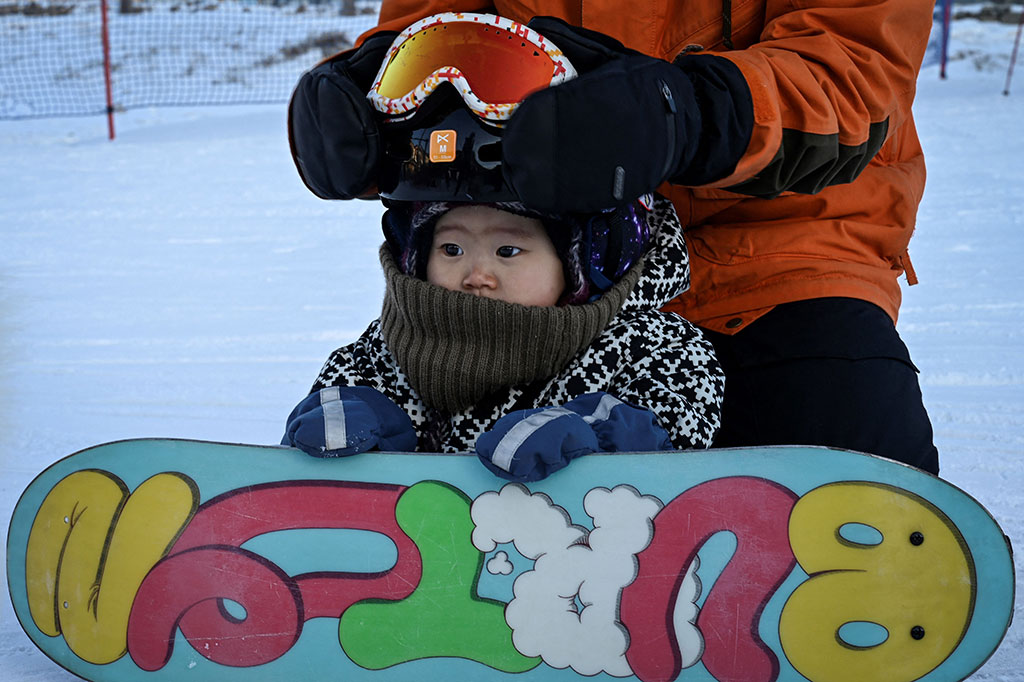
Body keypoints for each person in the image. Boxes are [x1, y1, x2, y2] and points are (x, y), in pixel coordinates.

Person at [288, 2, 940, 474]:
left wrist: (692, 112)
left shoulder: (669, 358)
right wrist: (373, 87)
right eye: (448, 253)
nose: (468, 270)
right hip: (547, 222)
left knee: (845, 478)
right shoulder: (442, 312)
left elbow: (855, 64)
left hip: (777, 243)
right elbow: (440, 32)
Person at [283, 16, 724, 481]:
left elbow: (679, 420)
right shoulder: (393, 345)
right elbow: (344, 388)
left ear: (585, 263)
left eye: (508, 252)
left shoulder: (653, 347)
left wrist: (601, 438)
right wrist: (344, 414)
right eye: (451, 249)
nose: (477, 274)